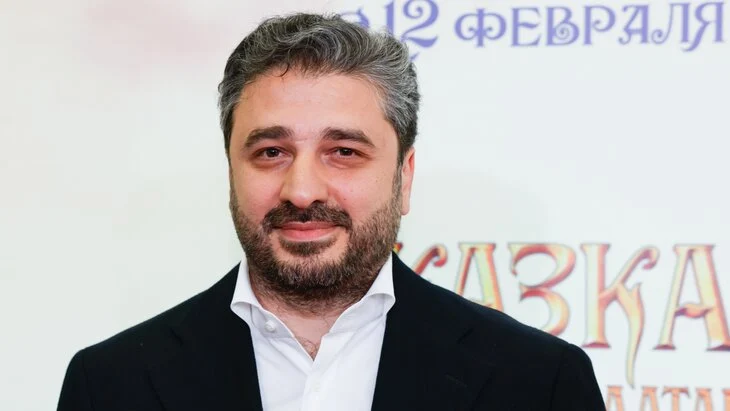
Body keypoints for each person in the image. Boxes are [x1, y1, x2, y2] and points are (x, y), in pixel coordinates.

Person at [58, 13, 605, 411]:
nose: (301, 191)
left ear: (404, 176)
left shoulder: (539, 382)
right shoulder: (110, 384)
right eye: (270, 152)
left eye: (343, 152)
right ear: (230, 171)